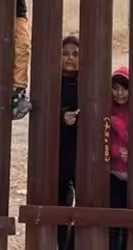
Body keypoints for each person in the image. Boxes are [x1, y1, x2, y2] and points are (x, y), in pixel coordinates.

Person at [57, 35, 80, 249]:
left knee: (84, 204)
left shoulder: (87, 82)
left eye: (74, 54)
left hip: (81, 151)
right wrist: (62, 116)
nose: (69, 58)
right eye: (64, 54)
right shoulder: (52, 82)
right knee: (60, 203)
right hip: (57, 151)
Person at [109, 67, 129, 250]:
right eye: (115, 88)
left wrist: (117, 123)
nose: (119, 93)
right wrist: (116, 152)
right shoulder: (109, 107)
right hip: (114, 172)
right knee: (114, 221)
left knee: (131, 222)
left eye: (124, 88)